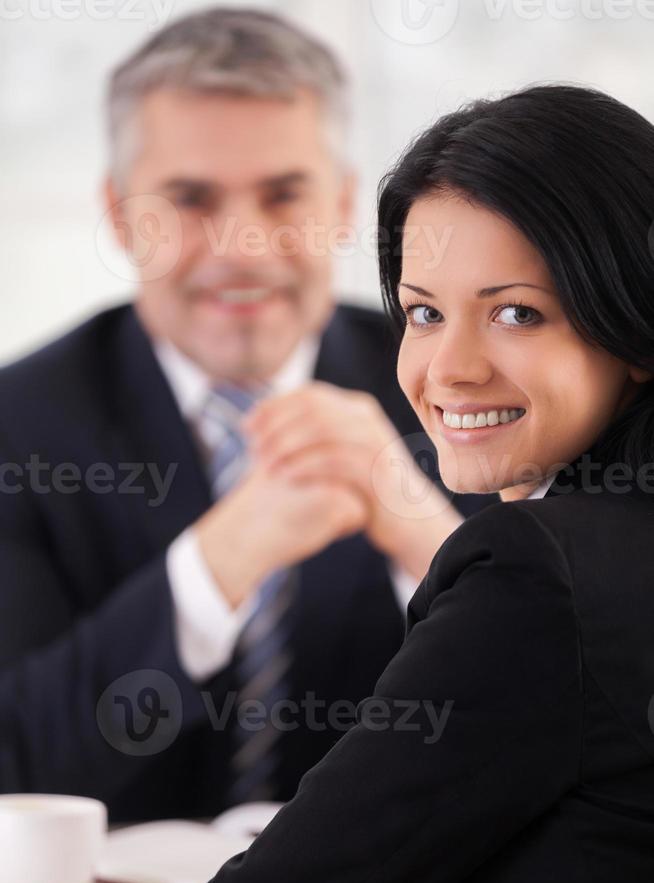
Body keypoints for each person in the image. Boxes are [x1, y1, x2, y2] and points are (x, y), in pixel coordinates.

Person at [195, 84, 654, 883]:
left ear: (634, 325)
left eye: (517, 311)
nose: (450, 367)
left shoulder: (537, 576)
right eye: (424, 312)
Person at [0, 9, 491, 823]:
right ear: (120, 217)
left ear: (340, 206)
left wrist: (423, 532)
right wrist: (213, 567)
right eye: (190, 199)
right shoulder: (19, 425)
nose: (244, 248)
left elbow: (567, 726)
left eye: (283, 195)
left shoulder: (459, 386)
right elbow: (14, 762)